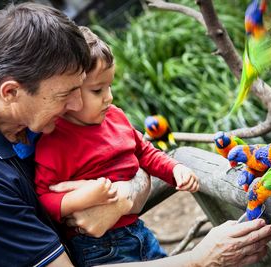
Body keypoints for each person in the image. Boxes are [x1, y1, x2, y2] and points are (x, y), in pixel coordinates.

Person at [0, 2, 271, 267]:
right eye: (65, 95)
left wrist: (120, 199)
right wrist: (199, 260)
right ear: (11, 91)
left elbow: (133, 159)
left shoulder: (34, 111)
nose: (78, 104)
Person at [34, 26, 199, 266]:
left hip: (137, 230)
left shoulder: (115, 116)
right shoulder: (54, 143)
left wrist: (174, 170)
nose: (109, 96)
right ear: (70, 92)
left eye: (109, 86)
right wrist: (82, 199)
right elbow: (44, 199)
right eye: (97, 90)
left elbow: (144, 152)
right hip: (97, 247)